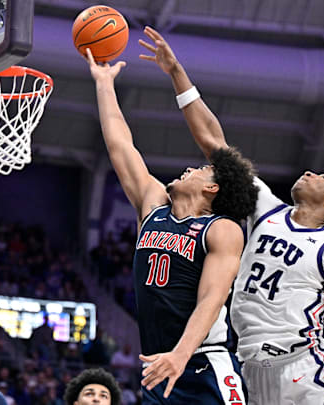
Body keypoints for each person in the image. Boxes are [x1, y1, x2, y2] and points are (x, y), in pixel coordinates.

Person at [139, 26, 324, 405]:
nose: (310, 173)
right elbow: (215, 145)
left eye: (323, 177)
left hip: (302, 365)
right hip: (246, 365)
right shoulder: (266, 208)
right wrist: (176, 73)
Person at [84, 47, 258, 404]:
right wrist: (104, 85)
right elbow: (120, 146)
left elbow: (212, 298)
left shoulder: (222, 229)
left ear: (213, 188)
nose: (191, 168)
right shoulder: (153, 206)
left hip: (203, 365)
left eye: (201, 170)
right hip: (159, 365)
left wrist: (181, 355)